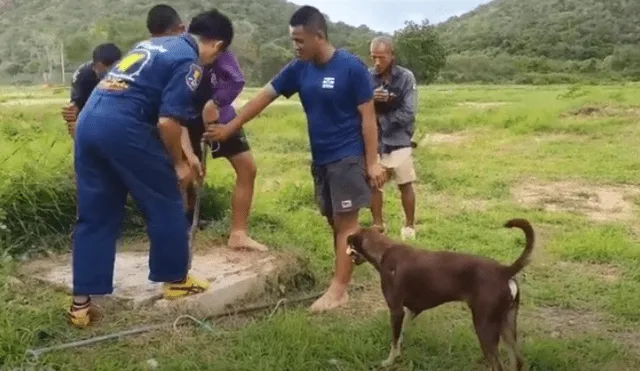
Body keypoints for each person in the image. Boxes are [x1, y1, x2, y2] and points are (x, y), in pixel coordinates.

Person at [205, 5, 386, 312]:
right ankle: (354, 267)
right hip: (322, 159)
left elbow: (368, 119)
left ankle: (339, 289)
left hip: (347, 157)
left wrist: (372, 162)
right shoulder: (299, 69)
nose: (296, 46)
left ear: (319, 35)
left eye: (300, 40)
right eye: (293, 40)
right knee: (336, 222)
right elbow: (263, 97)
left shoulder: (350, 67)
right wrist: (229, 128)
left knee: (347, 224)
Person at [67, 9, 234, 328]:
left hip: (89, 123)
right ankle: (176, 280)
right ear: (217, 45)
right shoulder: (190, 61)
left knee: (96, 216)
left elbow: (162, 111)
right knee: (168, 198)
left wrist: (185, 154)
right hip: (123, 128)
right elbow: (168, 121)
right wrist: (178, 163)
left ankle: (80, 306)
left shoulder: (150, 46)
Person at [146, 5, 265, 251]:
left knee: (247, 168)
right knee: (185, 173)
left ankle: (239, 234)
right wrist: (187, 154)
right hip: (182, 118)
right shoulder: (178, 55)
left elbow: (236, 81)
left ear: (219, 45)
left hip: (218, 118)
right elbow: (170, 113)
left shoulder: (223, 55)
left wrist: (216, 102)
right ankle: (181, 228)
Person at [369, 36, 418, 240]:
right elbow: (357, 106)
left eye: (382, 57)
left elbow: (410, 112)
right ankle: (378, 225)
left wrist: (382, 118)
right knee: (374, 184)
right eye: (374, 58)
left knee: (405, 182)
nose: (377, 62)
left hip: (399, 139)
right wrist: (372, 99)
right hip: (376, 140)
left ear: (392, 55)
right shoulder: (367, 78)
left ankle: (409, 226)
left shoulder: (406, 78)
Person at [61, 43, 122, 136]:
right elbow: (77, 104)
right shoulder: (83, 75)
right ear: (94, 66)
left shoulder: (130, 73)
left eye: (112, 71)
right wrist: (71, 113)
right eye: (103, 72)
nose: (108, 75)